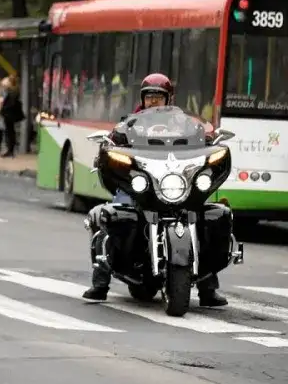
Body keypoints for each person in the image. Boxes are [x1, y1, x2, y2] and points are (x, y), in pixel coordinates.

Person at [82, 73, 226, 306]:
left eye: (159, 96)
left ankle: (207, 287)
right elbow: (112, 139)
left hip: (173, 182)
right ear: (143, 98)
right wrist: (107, 149)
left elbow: (203, 135)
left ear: (168, 98)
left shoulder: (183, 122)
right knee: (114, 213)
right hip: (142, 182)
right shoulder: (130, 122)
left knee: (200, 218)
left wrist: (211, 139)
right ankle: (100, 282)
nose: (153, 101)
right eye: (149, 96)